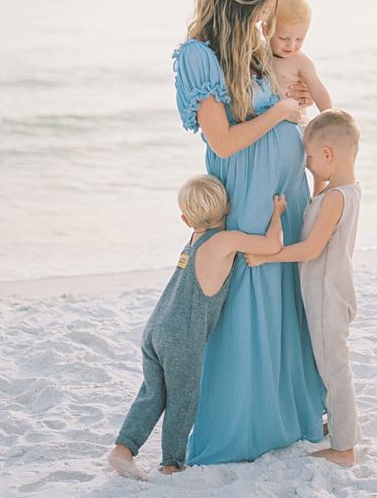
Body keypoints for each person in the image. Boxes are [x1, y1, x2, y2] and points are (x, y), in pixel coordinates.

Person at [172, 0, 325, 465]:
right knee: (246, 298)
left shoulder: (255, 49)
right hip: (245, 188)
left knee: (286, 294)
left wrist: (294, 97)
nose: (267, 21)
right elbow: (224, 139)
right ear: (239, 5)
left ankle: (289, 415)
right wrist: (282, 110)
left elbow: (293, 92)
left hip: (285, 185)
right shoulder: (200, 54)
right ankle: (243, 424)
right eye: (261, 10)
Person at [108, 175, 286, 479]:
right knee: (183, 399)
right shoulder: (225, 241)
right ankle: (172, 463)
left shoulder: (193, 239)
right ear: (229, 206)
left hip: (156, 327)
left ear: (186, 219)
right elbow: (271, 245)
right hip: (181, 337)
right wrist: (278, 213)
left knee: (153, 394)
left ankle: (122, 450)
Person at [245, 109, 361, 467]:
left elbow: (312, 249)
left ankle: (344, 449)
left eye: (309, 157)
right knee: (330, 363)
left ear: (328, 155)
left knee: (335, 369)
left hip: (326, 297)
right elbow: (320, 198)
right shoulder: (347, 190)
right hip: (335, 290)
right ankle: (340, 425)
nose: (307, 165)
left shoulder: (335, 200)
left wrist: (268, 257)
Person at [263, 0, 333, 115]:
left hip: (293, 121)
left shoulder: (300, 61)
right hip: (261, 122)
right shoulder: (256, 53)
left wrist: (329, 116)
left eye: (299, 39)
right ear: (266, 30)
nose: (291, 45)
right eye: (283, 38)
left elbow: (318, 91)